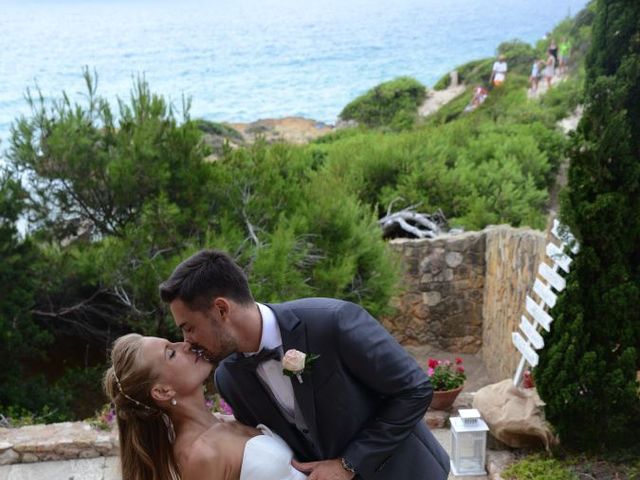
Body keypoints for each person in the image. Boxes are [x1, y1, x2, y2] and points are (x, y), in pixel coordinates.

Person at [159, 249, 450, 480]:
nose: (187, 341)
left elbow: (415, 390)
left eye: (189, 327)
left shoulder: (333, 322)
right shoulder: (228, 379)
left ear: (222, 309)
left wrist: (349, 464)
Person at [104, 333, 308, 480]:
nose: (184, 345)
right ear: (163, 391)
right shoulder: (199, 456)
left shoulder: (226, 419)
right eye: (171, 354)